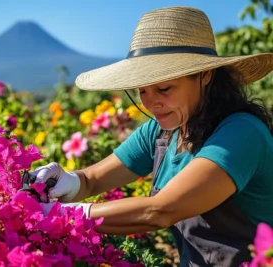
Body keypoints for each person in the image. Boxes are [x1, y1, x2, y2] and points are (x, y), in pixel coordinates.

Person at [31, 6, 273, 267]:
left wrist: (62, 216)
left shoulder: (241, 133)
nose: (151, 103)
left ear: (205, 75)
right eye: (142, 91)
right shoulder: (161, 133)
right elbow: (91, 180)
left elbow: (161, 210)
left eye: (164, 88)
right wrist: (66, 181)